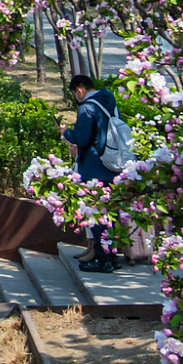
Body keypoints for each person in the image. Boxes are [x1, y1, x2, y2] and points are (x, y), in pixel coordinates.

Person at [64, 74, 124, 272]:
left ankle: (102, 259)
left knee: (97, 215)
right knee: (111, 215)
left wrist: (65, 132)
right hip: (111, 165)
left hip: (93, 168)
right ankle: (112, 256)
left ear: (79, 90)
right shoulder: (109, 102)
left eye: (75, 94)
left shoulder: (87, 108)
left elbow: (81, 138)